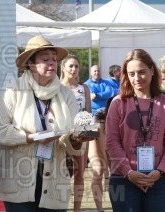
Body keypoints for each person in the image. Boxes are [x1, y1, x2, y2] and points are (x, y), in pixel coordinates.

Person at [0, 35, 88, 212]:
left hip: (55, 182)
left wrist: (77, 138)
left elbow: (77, 146)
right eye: (45, 59)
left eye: (54, 59)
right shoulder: (13, 90)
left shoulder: (66, 94)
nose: (52, 63)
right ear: (30, 63)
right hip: (17, 180)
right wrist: (31, 138)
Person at [106, 49, 165, 211]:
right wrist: (129, 173)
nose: (136, 78)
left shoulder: (164, 103)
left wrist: (159, 171)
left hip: (159, 182)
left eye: (141, 72)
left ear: (152, 70)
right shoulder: (117, 103)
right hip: (124, 180)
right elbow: (111, 143)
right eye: (131, 74)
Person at [60, 54, 92, 212]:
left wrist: (88, 134)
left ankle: (77, 210)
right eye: (70, 66)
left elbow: (88, 112)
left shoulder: (83, 88)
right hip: (61, 136)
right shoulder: (57, 86)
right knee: (62, 173)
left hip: (80, 136)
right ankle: (60, 207)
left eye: (76, 66)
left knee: (80, 173)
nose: (73, 69)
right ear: (63, 68)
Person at [85, 65, 112, 210]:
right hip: (91, 123)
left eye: (98, 70)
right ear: (90, 72)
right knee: (98, 167)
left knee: (111, 163)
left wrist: (99, 95)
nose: (96, 72)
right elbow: (91, 98)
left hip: (106, 121)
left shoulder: (106, 83)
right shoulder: (85, 85)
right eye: (94, 70)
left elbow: (110, 93)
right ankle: (99, 208)